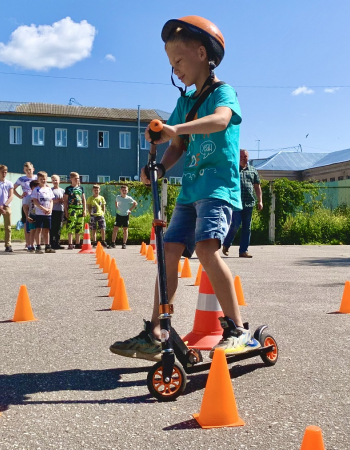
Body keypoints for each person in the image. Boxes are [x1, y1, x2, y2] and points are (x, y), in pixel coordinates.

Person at [110, 15, 254, 361]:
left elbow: (220, 120)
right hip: (190, 192)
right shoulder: (186, 102)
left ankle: (237, 329)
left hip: (217, 189)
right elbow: (177, 145)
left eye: (178, 61)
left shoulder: (223, 92)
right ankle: (158, 331)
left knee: (206, 249)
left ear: (202, 54)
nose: (175, 70)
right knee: (168, 253)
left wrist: (177, 129)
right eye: (170, 64)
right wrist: (158, 167)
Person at [222, 149, 263, 258]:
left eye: (245, 156)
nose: (243, 158)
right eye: (241, 156)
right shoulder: (233, 169)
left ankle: (243, 251)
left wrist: (260, 201)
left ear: (248, 158)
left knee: (247, 227)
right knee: (235, 225)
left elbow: (257, 186)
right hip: (236, 203)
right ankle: (226, 244)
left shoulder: (253, 170)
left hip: (249, 203)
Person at [13, 162, 37, 249]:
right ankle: (27, 243)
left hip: (36, 204)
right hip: (26, 204)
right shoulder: (21, 179)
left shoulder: (37, 178)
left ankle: (34, 243)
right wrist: (19, 196)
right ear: (24, 170)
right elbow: (12, 188)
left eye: (30, 169)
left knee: (35, 223)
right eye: (26, 170)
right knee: (26, 222)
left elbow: (45, 186)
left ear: (33, 169)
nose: (28, 171)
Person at [31, 171, 55, 254]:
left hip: (48, 213)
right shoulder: (36, 190)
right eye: (41, 179)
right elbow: (35, 201)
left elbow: (51, 200)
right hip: (40, 213)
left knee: (47, 230)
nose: (43, 180)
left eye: (44, 179)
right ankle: (38, 246)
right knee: (39, 229)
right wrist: (43, 208)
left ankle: (47, 246)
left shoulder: (49, 189)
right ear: (38, 179)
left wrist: (50, 209)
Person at [64, 172, 87, 250]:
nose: (77, 180)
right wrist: (66, 211)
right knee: (71, 226)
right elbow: (65, 201)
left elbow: (84, 199)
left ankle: (78, 243)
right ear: (71, 179)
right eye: (76, 178)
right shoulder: (68, 189)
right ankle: (70, 243)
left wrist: (85, 210)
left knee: (79, 226)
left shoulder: (81, 188)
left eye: (78, 178)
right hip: (72, 209)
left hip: (80, 209)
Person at [110, 185, 138, 249]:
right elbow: (116, 202)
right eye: (123, 190)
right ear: (120, 191)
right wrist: (117, 207)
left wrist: (130, 210)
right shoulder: (118, 197)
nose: (124, 191)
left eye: (125, 190)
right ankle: (113, 243)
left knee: (125, 229)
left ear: (127, 191)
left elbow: (135, 203)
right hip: (119, 215)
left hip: (125, 215)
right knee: (115, 228)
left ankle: (124, 244)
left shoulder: (129, 198)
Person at [22, 179, 39, 252]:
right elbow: (25, 207)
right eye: (35, 187)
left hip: (39, 215)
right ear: (32, 188)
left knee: (38, 230)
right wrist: (27, 216)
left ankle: (38, 245)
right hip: (31, 215)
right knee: (32, 231)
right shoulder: (29, 197)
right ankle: (30, 245)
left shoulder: (40, 196)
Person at [49, 175, 65, 250]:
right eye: (53, 180)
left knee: (58, 227)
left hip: (60, 210)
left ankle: (57, 243)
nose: (55, 182)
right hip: (53, 210)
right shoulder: (50, 190)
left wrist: (62, 201)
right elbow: (49, 201)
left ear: (59, 181)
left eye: (56, 180)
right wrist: (55, 201)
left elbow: (65, 200)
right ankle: (52, 243)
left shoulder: (62, 191)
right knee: (52, 227)